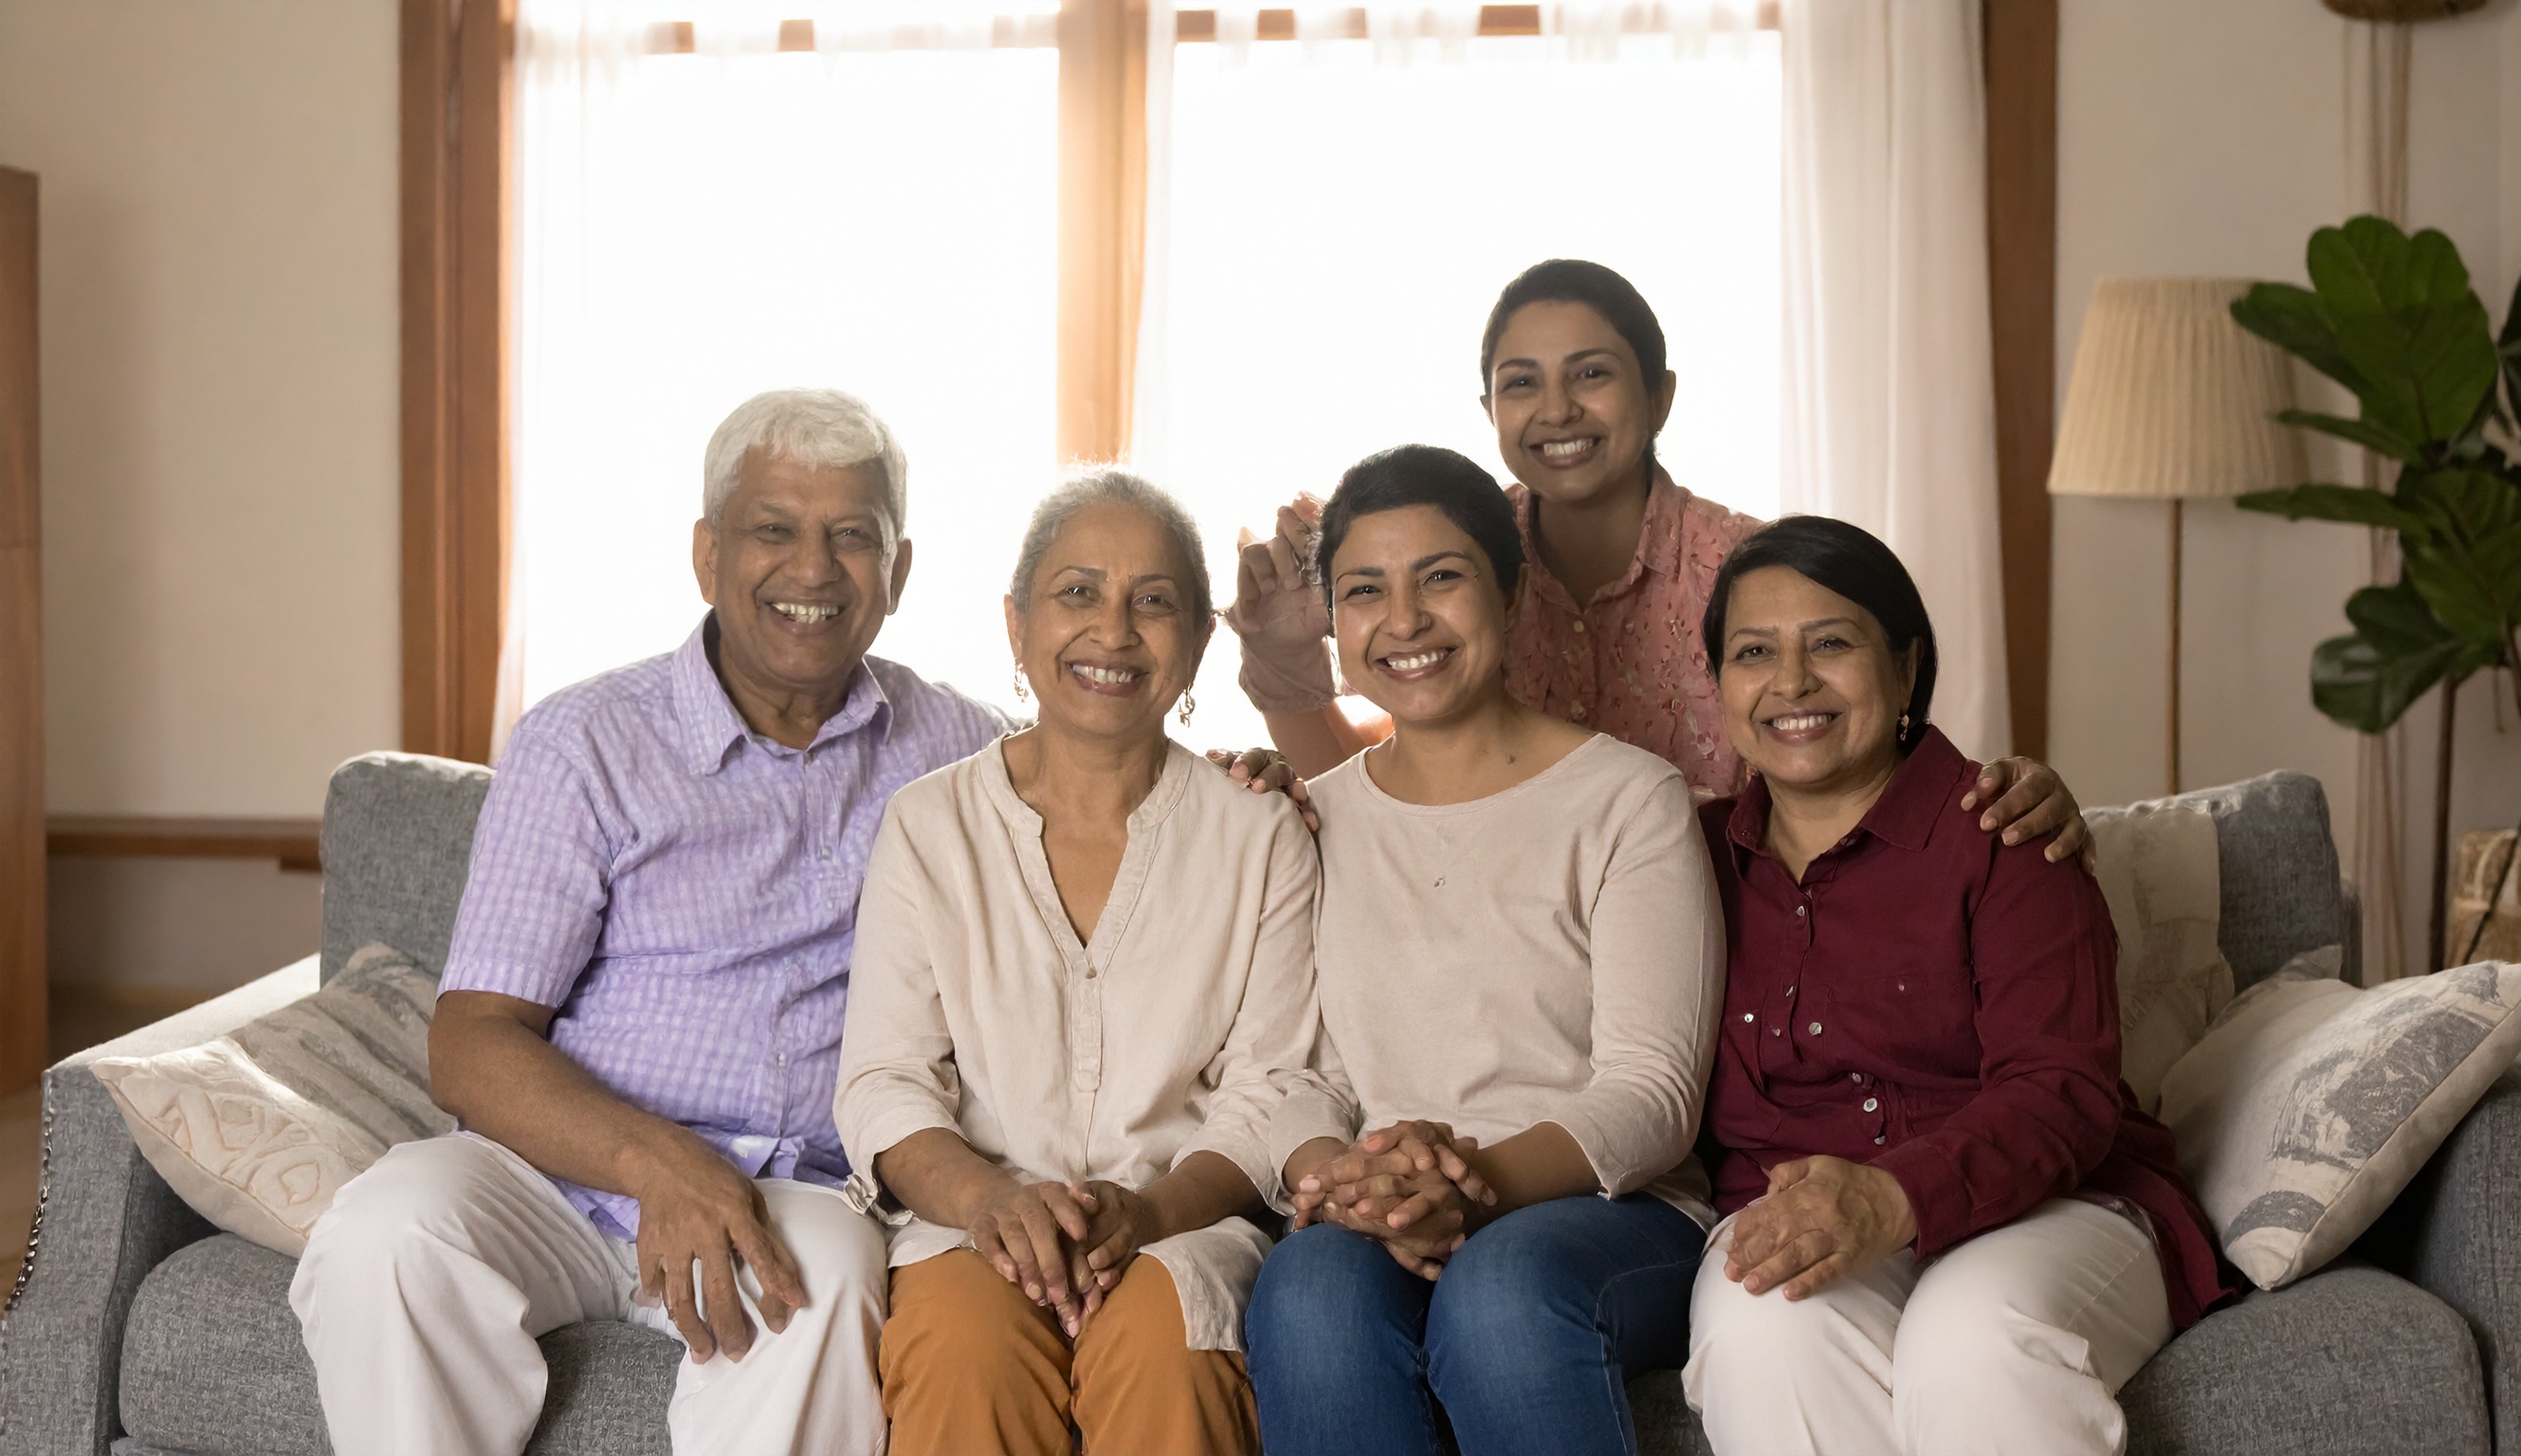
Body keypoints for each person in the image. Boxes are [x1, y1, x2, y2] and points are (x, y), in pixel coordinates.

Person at [290, 389, 1010, 1456]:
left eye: (851, 536)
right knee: (384, 1233)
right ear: (707, 554)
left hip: (791, 1190)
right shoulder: (583, 743)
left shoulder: (960, 744)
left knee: (822, 1282)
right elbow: (472, 1042)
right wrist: (659, 1163)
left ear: (898, 572)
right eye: (773, 529)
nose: (812, 570)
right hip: (555, 1173)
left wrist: (1253, 775)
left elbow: (1119, 799)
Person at [1679, 516, 2237, 1456]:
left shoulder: (2008, 835)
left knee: (1973, 1340)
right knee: (1761, 1330)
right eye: (1753, 652)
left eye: (1831, 643)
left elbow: (2061, 1093)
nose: (1792, 681)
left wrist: (1892, 1199)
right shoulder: (1685, 860)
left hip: (2051, 1203)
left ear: (1905, 667)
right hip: (1791, 1211)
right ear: (1719, 685)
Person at [1224, 258, 2089, 856]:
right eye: (1522, 383)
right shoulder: (1461, 565)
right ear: (1487, 406)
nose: (1557, 410)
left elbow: (1867, 764)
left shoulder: (1754, 571)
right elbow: (1384, 803)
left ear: (1660, 394)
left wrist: (2015, 794)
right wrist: (1291, 665)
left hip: (1743, 953)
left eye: (1591, 374)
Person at [1245, 445, 1726, 1456]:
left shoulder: (1628, 800)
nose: (1405, 619)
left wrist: (1465, 1184)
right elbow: (1285, 1071)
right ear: (1333, 621)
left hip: (1606, 1209)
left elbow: (1653, 1096)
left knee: (1499, 1289)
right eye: (1365, 590)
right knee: (1306, 1284)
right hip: (1383, 1202)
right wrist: (1342, 1177)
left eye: (1442, 578)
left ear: (1511, 594)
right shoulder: (1308, 820)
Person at [836, 468, 1319, 1456]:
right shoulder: (931, 826)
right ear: (1017, 627)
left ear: (1195, 644)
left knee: (1166, 1342)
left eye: (1154, 602)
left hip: (1180, 1222)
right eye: (1077, 594)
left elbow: (1274, 1089)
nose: (1113, 630)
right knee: (962, 1346)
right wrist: (990, 1203)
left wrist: (1148, 1213)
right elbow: (887, 1080)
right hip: (972, 1218)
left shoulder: (1258, 832)